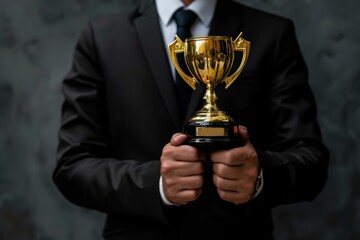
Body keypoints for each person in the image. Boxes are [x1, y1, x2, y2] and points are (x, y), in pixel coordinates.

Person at [52, 0, 329, 239]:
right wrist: (156, 184)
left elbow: (311, 162)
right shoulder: (100, 38)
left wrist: (259, 177)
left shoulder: (272, 33)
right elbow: (72, 166)